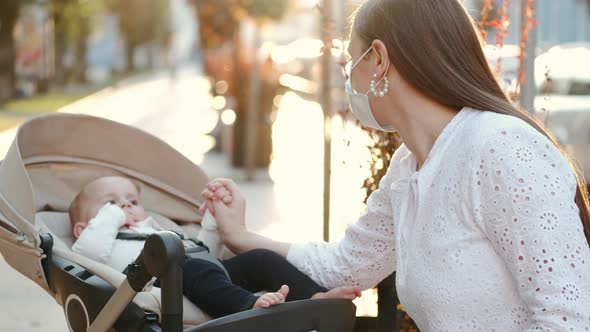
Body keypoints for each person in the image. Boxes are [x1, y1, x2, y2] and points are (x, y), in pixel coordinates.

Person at [199, 0, 590, 330]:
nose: (350, 77)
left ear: (380, 59)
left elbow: (569, 317)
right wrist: (241, 235)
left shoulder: (502, 148)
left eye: (354, 60)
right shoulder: (409, 167)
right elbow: (346, 266)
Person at [70, 176, 360, 318]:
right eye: (110, 203)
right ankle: (246, 305)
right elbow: (87, 252)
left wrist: (211, 222)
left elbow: (204, 251)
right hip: (161, 280)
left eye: (132, 201)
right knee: (187, 265)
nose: (125, 206)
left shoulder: (152, 227)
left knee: (260, 259)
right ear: (83, 228)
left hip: (202, 271)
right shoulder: (98, 242)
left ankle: (315, 295)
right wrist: (113, 215)